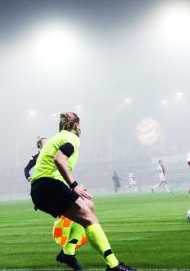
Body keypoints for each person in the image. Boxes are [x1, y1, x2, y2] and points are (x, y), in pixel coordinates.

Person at [30, 112, 136, 271]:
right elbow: (59, 160)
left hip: (43, 187)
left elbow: (49, 167)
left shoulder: (57, 137)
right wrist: (74, 185)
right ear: (76, 124)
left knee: (89, 206)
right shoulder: (72, 138)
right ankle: (113, 265)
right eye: (80, 124)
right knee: (89, 219)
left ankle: (67, 252)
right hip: (49, 186)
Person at [25, 135, 87, 270]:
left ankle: (67, 252)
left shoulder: (56, 154)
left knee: (81, 219)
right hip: (51, 191)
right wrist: (32, 185)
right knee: (83, 217)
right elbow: (27, 171)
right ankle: (67, 252)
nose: (47, 144)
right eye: (44, 142)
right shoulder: (38, 157)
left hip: (60, 189)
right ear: (39, 145)